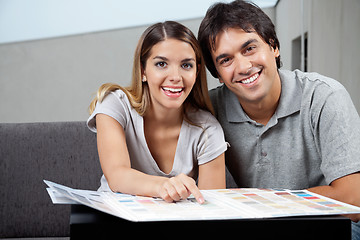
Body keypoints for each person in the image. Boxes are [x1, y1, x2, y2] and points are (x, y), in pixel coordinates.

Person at [198, 0, 360, 235]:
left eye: (249, 48)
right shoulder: (209, 111)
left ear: (273, 47)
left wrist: (266, 202)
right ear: (218, 75)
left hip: (325, 227)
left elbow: (353, 199)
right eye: (226, 60)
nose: (243, 66)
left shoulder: (324, 96)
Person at [87, 21, 227, 204]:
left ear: (196, 72)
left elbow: (213, 209)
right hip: (114, 221)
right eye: (161, 64)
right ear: (143, 70)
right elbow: (117, 176)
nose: (175, 77)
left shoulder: (207, 129)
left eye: (186, 65)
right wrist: (164, 186)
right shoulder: (115, 104)